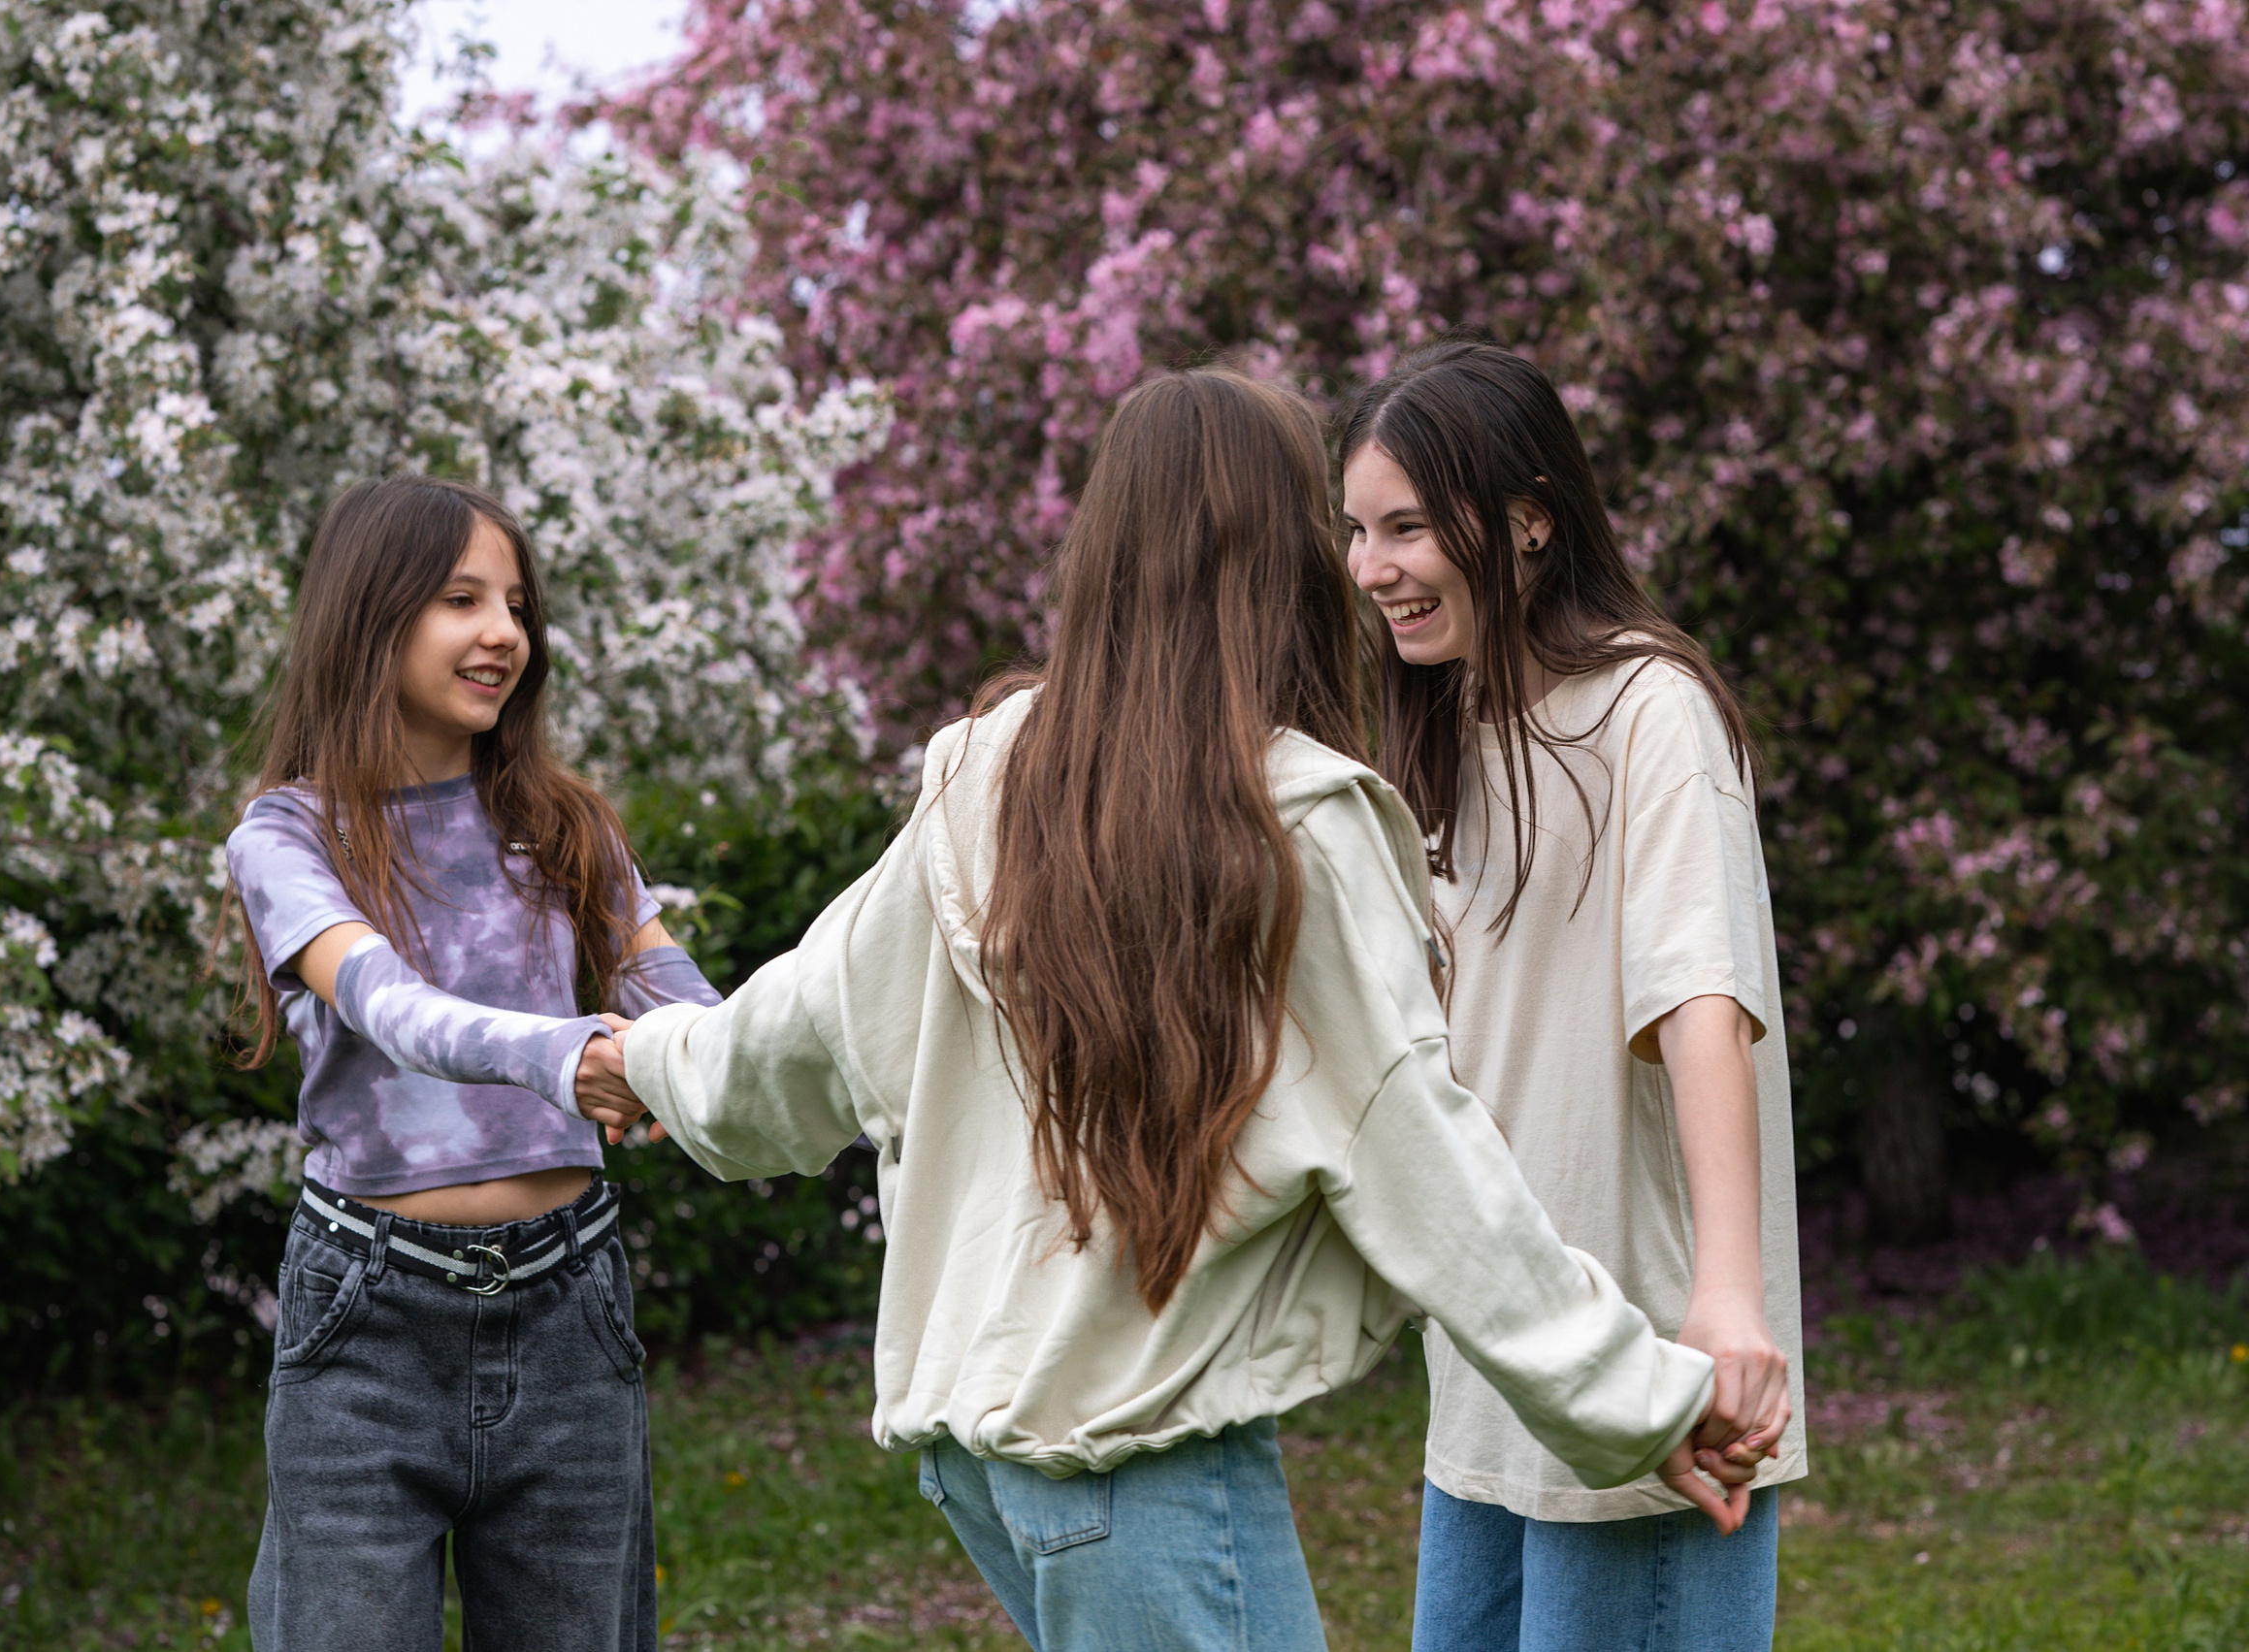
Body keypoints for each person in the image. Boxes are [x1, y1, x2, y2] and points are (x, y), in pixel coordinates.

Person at [575, 370, 1760, 1652]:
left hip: (988, 1464)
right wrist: (1638, 1394)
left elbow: (793, 1032)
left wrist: (643, 1057)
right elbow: (1425, 1160)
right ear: (1283, 562)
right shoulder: (1297, 823)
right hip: (1140, 1471)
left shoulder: (990, 769)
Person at [1338, 337, 1803, 1652]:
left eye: (1411, 525)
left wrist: (1725, 1297)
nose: (1375, 565)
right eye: (1361, 529)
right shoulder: (1446, 730)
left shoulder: (1651, 706)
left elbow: (1700, 991)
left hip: (1651, 1364)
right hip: (1500, 1364)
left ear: (1531, 519)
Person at [220, 474, 719, 1652]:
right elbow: (396, 1011)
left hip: (571, 1312)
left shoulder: (566, 822)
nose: (504, 631)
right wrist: (576, 1056)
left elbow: (689, 1005)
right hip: (367, 1324)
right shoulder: (288, 837)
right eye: (460, 598)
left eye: (515, 603)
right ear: (368, 614)